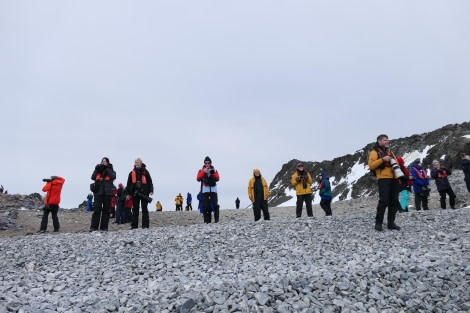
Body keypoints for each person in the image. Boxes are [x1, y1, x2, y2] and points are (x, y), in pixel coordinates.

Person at [368, 134, 401, 231]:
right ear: (379, 141)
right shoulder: (374, 152)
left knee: (394, 201)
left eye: (387, 140)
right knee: (384, 201)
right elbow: (371, 166)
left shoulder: (390, 152)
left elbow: (397, 164)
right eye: (385, 140)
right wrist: (382, 159)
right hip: (383, 179)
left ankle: (391, 223)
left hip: (394, 179)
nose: (387, 141)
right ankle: (378, 223)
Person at [90, 157, 116, 232]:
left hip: (107, 192)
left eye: (105, 161)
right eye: (102, 161)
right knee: (97, 209)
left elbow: (113, 176)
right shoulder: (98, 169)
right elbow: (92, 177)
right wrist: (96, 169)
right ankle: (94, 227)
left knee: (106, 210)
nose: (103, 163)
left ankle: (104, 227)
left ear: (108, 162)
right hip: (98, 192)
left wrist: (107, 169)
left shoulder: (111, 170)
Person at [126, 158, 154, 229]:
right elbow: (128, 184)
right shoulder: (131, 173)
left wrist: (151, 190)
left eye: (138, 162)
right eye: (136, 162)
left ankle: (145, 226)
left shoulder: (145, 172)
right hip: (135, 193)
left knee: (144, 208)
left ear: (141, 163)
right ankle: (134, 226)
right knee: (135, 209)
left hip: (144, 192)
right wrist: (128, 194)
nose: (137, 163)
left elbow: (150, 181)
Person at [196, 156, 220, 223]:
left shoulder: (214, 170)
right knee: (205, 206)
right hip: (205, 190)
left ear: (210, 163)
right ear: (204, 163)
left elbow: (217, 178)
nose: (207, 164)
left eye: (208, 163)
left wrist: (212, 172)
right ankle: (207, 221)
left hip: (213, 190)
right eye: (206, 163)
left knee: (215, 205)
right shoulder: (201, 170)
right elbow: (198, 178)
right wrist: (204, 172)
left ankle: (216, 220)